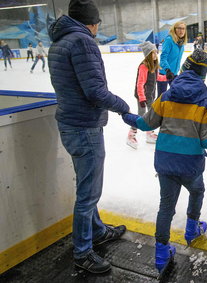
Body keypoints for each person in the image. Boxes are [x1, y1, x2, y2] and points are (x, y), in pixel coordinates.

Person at [121, 49, 207, 275]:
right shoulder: (204, 103)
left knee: (166, 206)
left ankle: (161, 254)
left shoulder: (167, 97)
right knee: (197, 191)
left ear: (183, 70)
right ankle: (192, 229)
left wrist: (127, 116)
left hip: (166, 162)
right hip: (190, 165)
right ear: (203, 77)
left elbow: (146, 124)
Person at [47, 0, 129, 274]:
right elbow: (95, 91)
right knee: (88, 194)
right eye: (97, 23)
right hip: (84, 127)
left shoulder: (59, 42)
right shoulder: (83, 42)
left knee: (87, 188)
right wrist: (123, 107)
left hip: (69, 124)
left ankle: (97, 231)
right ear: (91, 22)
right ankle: (83, 252)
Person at [127, 41, 159, 149]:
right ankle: (131, 135)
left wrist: (168, 78)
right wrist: (141, 98)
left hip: (150, 95)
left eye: (155, 51)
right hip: (143, 95)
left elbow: (155, 79)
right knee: (141, 116)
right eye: (153, 53)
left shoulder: (154, 65)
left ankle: (149, 134)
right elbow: (140, 84)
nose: (155, 54)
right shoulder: (144, 67)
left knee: (151, 115)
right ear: (148, 55)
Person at [158, 21, 187, 96]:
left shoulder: (181, 43)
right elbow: (163, 57)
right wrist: (167, 70)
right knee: (161, 97)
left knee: (177, 95)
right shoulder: (169, 40)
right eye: (179, 28)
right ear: (174, 29)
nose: (181, 31)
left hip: (174, 73)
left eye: (183, 29)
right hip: (164, 73)